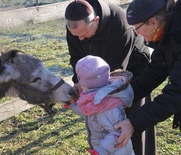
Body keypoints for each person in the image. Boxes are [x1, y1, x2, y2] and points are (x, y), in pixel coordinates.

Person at [65, 0, 156, 154]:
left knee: (129, 121)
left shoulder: (120, 24)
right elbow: (76, 58)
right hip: (95, 75)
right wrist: (79, 82)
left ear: (96, 21)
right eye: (76, 35)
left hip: (129, 73)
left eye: (84, 34)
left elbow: (115, 72)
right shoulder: (76, 24)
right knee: (104, 122)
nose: (80, 39)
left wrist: (89, 91)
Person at [114, 0, 181, 151]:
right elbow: (156, 70)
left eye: (137, 28)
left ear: (153, 22)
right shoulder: (168, 33)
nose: (137, 33)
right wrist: (123, 96)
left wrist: (133, 123)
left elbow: (177, 93)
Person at [68, 55, 135, 155]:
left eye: (79, 78)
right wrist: (72, 106)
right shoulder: (95, 97)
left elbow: (117, 132)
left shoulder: (106, 104)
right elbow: (89, 113)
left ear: (85, 81)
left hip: (115, 151)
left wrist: (101, 151)